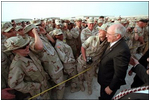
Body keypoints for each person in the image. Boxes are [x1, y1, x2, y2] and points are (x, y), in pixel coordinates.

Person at [98, 23, 131, 100]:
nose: (106, 36)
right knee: (102, 95)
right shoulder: (114, 41)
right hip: (105, 78)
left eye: (109, 34)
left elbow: (120, 73)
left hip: (108, 83)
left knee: (105, 98)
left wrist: (111, 87)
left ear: (118, 36)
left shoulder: (122, 50)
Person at [77, 24, 109, 95]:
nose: (99, 31)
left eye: (102, 30)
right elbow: (83, 47)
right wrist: (85, 58)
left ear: (106, 33)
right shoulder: (92, 38)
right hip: (82, 61)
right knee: (80, 75)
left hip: (93, 63)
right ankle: (81, 84)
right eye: (99, 29)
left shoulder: (107, 42)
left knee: (90, 76)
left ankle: (89, 87)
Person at [54, 29, 80, 93]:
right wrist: (73, 60)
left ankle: (69, 83)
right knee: (75, 76)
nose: (61, 35)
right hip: (69, 64)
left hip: (70, 63)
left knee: (70, 75)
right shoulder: (58, 45)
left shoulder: (62, 41)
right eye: (59, 35)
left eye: (61, 34)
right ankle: (73, 88)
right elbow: (64, 59)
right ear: (55, 36)